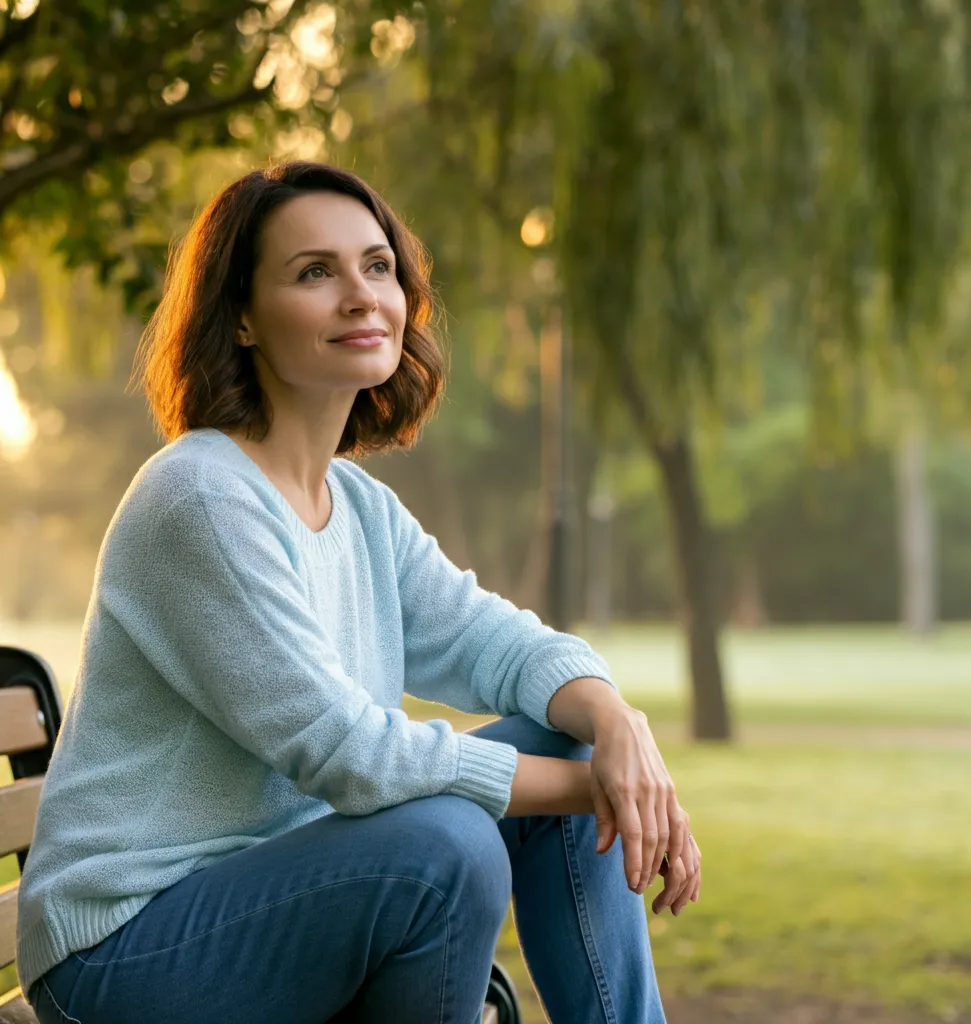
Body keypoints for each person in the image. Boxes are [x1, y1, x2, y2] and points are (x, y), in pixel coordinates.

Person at [16, 161, 701, 1024]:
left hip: (284, 899)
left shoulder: (361, 508)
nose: (360, 296)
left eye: (377, 266)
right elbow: (350, 754)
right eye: (314, 272)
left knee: (560, 741)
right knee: (448, 845)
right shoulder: (198, 498)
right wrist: (604, 786)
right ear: (242, 320)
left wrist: (614, 725)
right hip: (124, 950)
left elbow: (500, 645)